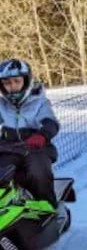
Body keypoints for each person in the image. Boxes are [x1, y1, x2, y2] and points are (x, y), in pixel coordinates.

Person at [0, 59, 59, 207]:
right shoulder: (2, 105)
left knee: (38, 171)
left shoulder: (39, 102)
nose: (12, 87)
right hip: (8, 148)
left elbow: (51, 122)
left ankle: (48, 206)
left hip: (35, 147)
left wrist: (42, 135)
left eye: (16, 81)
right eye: (7, 83)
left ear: (26, 81)